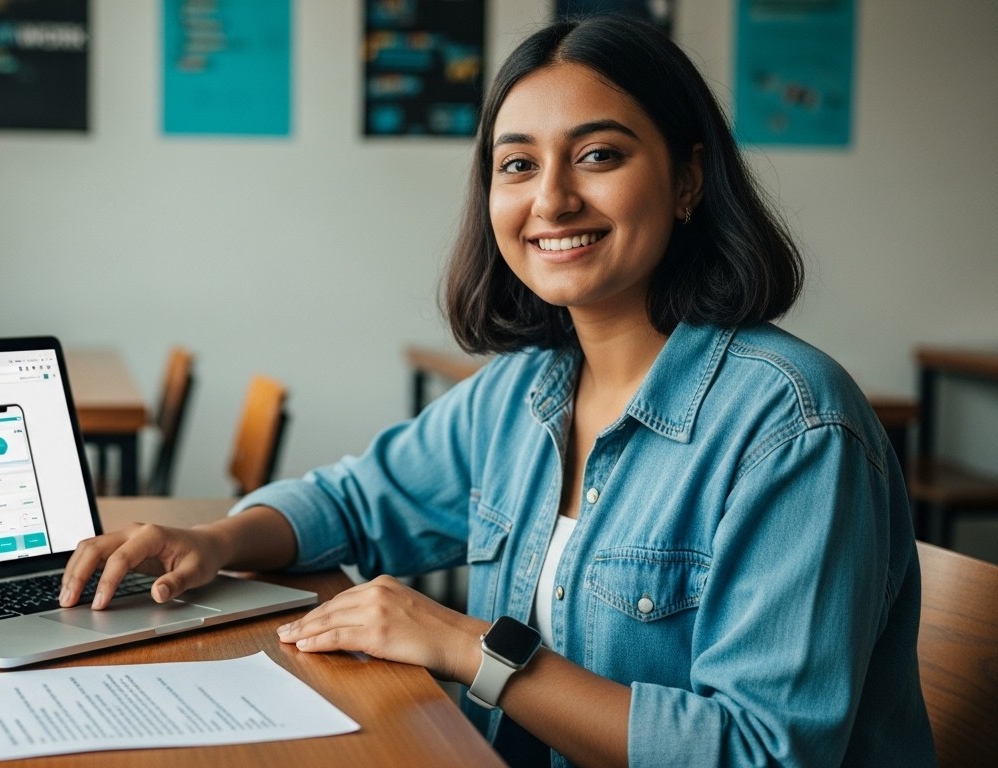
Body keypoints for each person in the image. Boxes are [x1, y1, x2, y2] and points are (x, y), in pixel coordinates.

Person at [59, 15, 936, 767]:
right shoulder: (524, 389)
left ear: (688, 180)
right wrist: (211, 539)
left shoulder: (792, 426)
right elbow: (353, 503)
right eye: (517, 166)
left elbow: (759, 751)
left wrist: (464, 646)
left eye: (598, 154)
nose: (551, 199)